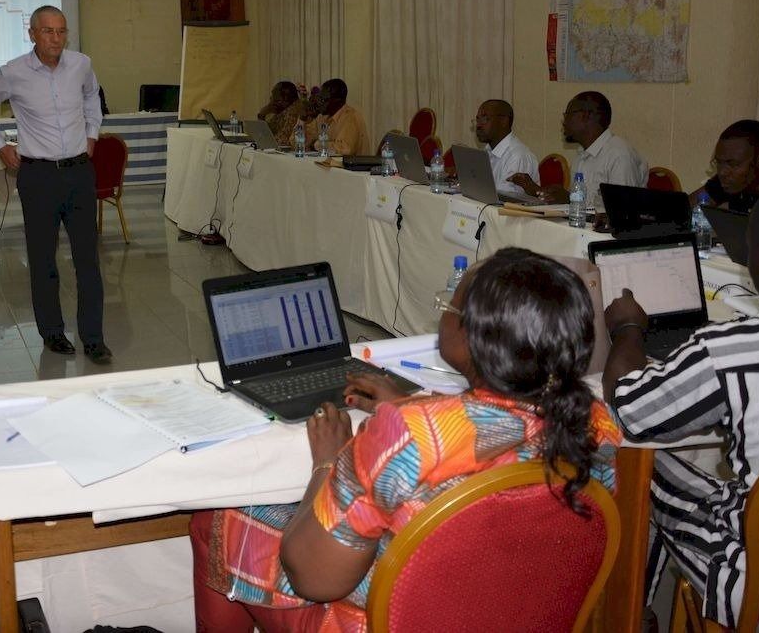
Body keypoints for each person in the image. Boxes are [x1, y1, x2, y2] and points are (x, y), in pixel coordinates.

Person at [191, 249, 621, 632]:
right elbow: (508, 432)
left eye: (449, 307)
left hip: (386, 619)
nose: (444, 315)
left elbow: (315, 580)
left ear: (472, 337)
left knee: (217, 519)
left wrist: (327, 461)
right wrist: (417, 405)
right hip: (511, 611)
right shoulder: (597, 424)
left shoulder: (406, 434)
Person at [603, 175, 759, 628]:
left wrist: (628, 329)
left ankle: (627, 618)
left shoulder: (737, 349)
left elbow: (630, 411)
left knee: (642, 465)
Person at [0, 5, 111, 364]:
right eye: (48, 31)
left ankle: (93, 337)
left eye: (61, 31)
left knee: (87, 260)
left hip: (79, 173)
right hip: (39, 176)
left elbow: (92, 96)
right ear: (32, 34)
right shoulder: (13, 72)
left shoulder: (81, 64)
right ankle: (52, 332)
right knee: (43, 259)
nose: (56, 38)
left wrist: (92, 133)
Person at [510, 91, 646, 206]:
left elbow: (622, 213)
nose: (563, 122)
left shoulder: (619, 155)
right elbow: (578, 204)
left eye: (567, 115)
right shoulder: (581, 156)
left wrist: (569, 199)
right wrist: (539, 191)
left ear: (585, 115)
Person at [691, 119, 759, 213]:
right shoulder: (730, 181)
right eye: (719, 163)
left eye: (732, 164)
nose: (722, 172)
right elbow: (686, 208)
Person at [473, 99, 538, 199]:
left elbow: (505, 202)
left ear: (503, 121)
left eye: (485, 119)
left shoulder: (517, 157)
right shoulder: (487, 150)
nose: (478, 125)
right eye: (478, 120)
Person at [303, 78, 371, 156]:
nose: (319, 103)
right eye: (319, 98)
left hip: (349, 164)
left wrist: (316, 145)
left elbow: (345, 149)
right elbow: (299, 143)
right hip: (326, 162)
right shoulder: (322, 117)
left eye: (323, 99)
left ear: (338, 101)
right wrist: (303, 119)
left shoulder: (351, 117)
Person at [257, 81, 307, 147]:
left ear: (286, 99)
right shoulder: (283, 111)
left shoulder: (295, 110)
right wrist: (263, 114)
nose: (272, 101)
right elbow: (264, 134)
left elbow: (282, 140)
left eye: (277, 100)